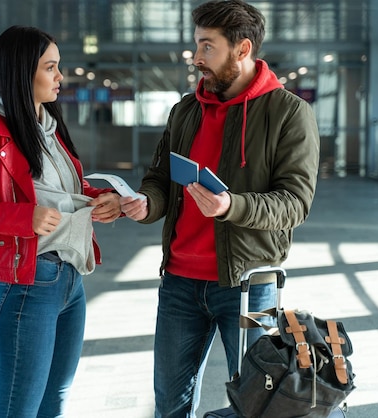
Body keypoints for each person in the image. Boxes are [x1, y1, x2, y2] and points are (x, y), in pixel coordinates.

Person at [119, 1, 320, 417]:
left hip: (248, 284)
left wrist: (232, 205)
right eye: (197, 45)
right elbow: (159, 179)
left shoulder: (289, 113)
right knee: (169, 404)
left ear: (242, 49)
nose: (197, 58)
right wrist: (145, 203)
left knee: (258, 403)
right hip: (178, 283)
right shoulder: (185, 111)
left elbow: (295, 203)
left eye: (207, 47)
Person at [0, 25, 121, 417]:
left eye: (59, 66)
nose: (60, 76)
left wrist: (101, 200)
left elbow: (59, 190)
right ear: (23, 72)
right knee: (18, 410)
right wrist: (25, 218)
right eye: (50, 68)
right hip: (29, 287)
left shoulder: (51, 129)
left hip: (71, 282)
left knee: (53, 404)